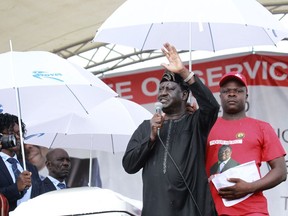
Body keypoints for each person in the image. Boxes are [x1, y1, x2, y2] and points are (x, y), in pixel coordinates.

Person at [122, 43, 219, 216]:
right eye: (161, 89)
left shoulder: (196, 122)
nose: (163, 93)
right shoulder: (146, 127)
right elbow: (129, 165)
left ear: (184, 95)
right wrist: (150, 138)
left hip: (192, 210)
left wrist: (183, 72)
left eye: (170, 88)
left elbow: (211, 106)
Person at [205, 71, 287, 215]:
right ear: (220, 96)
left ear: (246, 96)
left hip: (252, 211)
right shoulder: (206, 127)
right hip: (213, 210)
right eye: (227, 91)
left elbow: (280, 172)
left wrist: (249, 187)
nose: (232, 94)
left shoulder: (262, 127)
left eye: (238, 91)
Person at [0, 113, 42, 212]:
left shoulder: (30, 167)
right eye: (12, 133)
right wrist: (16, 188)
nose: (18, 137)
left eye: (19, 133)